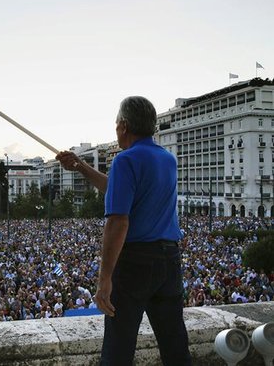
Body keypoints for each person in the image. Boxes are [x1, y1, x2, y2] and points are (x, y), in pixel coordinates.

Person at [56, 96, 192, 365]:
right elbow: (118, 187)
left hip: (135, 263)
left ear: (124, 126)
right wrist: (80, 166)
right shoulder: (167, 159)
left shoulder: (125, 160)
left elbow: (118, 221)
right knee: (175, 343)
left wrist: (104, 279)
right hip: (169, 260)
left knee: (118, 346)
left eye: (117, 123)